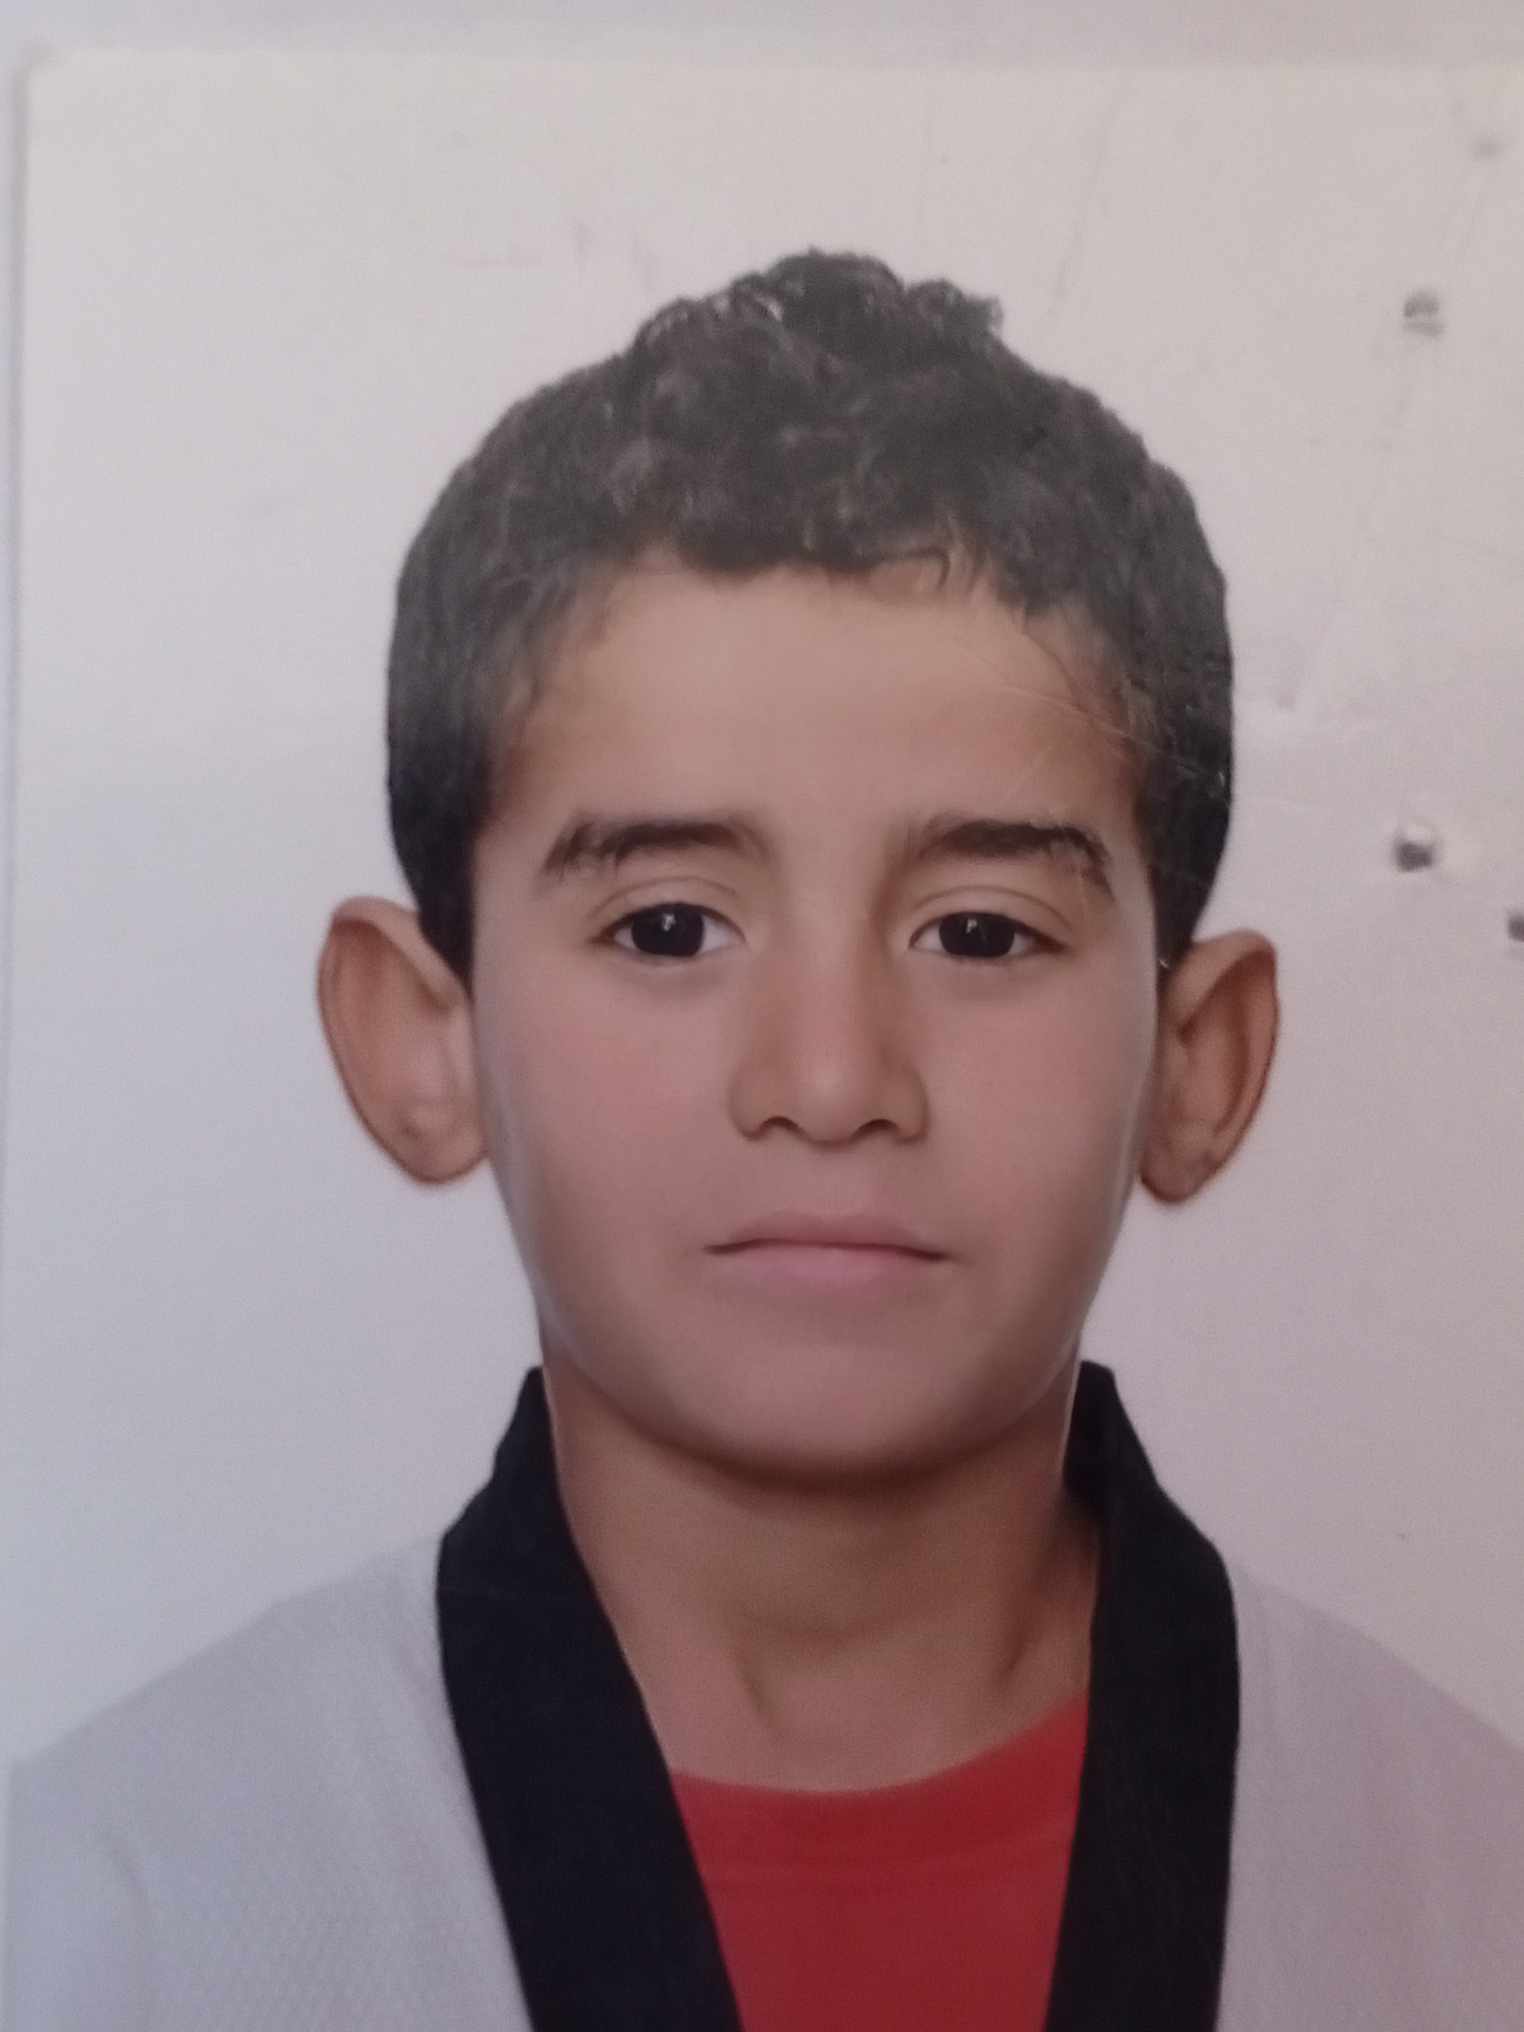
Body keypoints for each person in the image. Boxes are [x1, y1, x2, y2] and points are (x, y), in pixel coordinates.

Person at [5, 250, 1521, 2032]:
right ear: (424, 1038)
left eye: (980, 934)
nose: (830, 1077)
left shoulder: (1470, 1888)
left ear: (1199, 1058)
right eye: (668, 928)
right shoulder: (112, 1919)